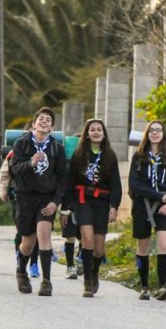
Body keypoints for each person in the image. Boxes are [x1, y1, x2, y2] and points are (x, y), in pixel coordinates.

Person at [10, 107, 66, 296]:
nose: (44, 121)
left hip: (46, 198)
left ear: (51, 127)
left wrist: (55, 202)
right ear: (34, 124)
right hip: (25, 197)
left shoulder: (56, 148)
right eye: (41, 119)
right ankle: (21, 272)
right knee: (28, 241)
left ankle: (47, 282)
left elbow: (62, 178)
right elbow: (15, 169)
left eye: (48, 120)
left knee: (44, 236)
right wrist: (30, 164)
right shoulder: (22, 144)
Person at [62, 119, 122, 297]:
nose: (96, 132)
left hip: (102, 202)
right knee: (87, 239)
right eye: (92, 129)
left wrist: (114, 206)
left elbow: (116, 185)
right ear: (87, 134)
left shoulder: (110, 156)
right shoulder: (79, 154)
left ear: (104, 134)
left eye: (99, 130)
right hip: (83, 200)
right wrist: (66, 207)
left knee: (99, 249)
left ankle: (95, 273)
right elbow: (70, 181)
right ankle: (87, 282)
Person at [128, 120, 166, 300]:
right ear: (146, 134)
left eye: (158, 130)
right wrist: (159, 196)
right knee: (142, 246)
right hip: (141, 206)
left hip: (164, 208)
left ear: (163, 134)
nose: (155, 133)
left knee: (163, 244)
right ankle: (144, 286)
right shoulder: (139, 156)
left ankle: (162, 286)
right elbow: (134, 185)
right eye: (151, 130)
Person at [0, 146, 40, 278]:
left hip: (40, 196)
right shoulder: (16, 151)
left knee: (37, 232)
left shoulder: (48, 150)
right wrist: (3, 191)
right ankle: (20, 259)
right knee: (22, 230)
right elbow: (5, 173)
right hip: (18, 196)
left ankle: (33, 263)